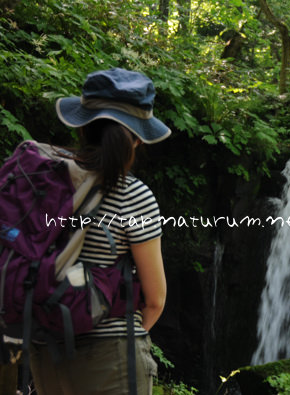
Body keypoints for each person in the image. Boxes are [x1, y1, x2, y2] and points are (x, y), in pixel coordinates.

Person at [28, 68, 170, 394]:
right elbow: (155, 299)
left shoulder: (45, 185)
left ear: (83, 127)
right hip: (110, 360)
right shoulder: (133, 195)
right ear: (136, 137)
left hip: (45, 353)